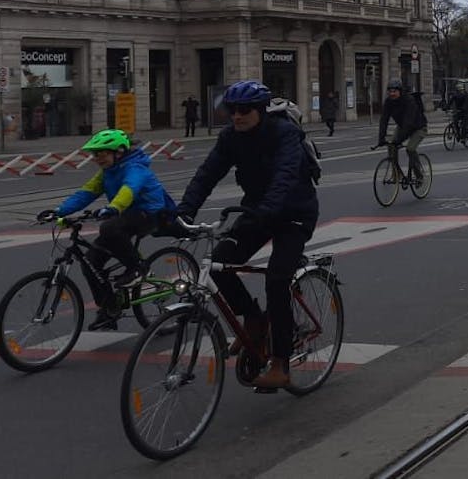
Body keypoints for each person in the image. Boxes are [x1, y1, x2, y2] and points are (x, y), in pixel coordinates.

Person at [175, 80, 319, 390]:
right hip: (257, 211)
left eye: (244, 110)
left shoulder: (284, 133)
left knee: (277, 280)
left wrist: (268, 208)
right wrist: (184, 213)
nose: (237, 116)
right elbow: (207, 174)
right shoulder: (230, 138)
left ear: (261, 110)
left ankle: (281, 362)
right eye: (231, 110)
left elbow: (285, 176)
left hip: (294, 212)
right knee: (220, 262)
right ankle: (253, 318)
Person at [37, 129, 177, 329]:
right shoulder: (106, 173)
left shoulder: (136, 168)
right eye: (94, 154)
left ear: (118, 152)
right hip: (125, 217)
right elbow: (85, 193)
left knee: (109, 227)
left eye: (101, 153)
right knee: (90, 262)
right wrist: (59, 211)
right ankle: (109, 308)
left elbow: (129, 189)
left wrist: (113, 208)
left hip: (150, 214)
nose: (96, 158)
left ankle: (137, 269)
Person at [377, 78, 428, 178]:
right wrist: (381, 138)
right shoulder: (388, 102)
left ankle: (419, 174)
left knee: (410, 149)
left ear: (400, 91)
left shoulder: (409, 100)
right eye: (390, 91)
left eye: (394, 91)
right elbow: (384, 120)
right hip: (402, 127)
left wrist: (399, 140)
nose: (392, 94)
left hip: (418, 127)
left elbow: (408, 122)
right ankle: (396, 173)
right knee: (391, 146)